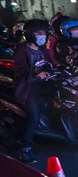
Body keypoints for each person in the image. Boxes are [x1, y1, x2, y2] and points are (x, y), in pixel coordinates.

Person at [13, 19, 54, 163]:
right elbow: (20, 71)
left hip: (43, 85)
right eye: (39, 33)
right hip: (28, 88)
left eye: (44, 33)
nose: (42, 36)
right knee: (34, 116)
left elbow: (49, 63)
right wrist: (36, 75)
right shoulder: (22, 50)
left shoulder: (42, 49)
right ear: (30, 35)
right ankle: (26, 150)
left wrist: (53, 69)